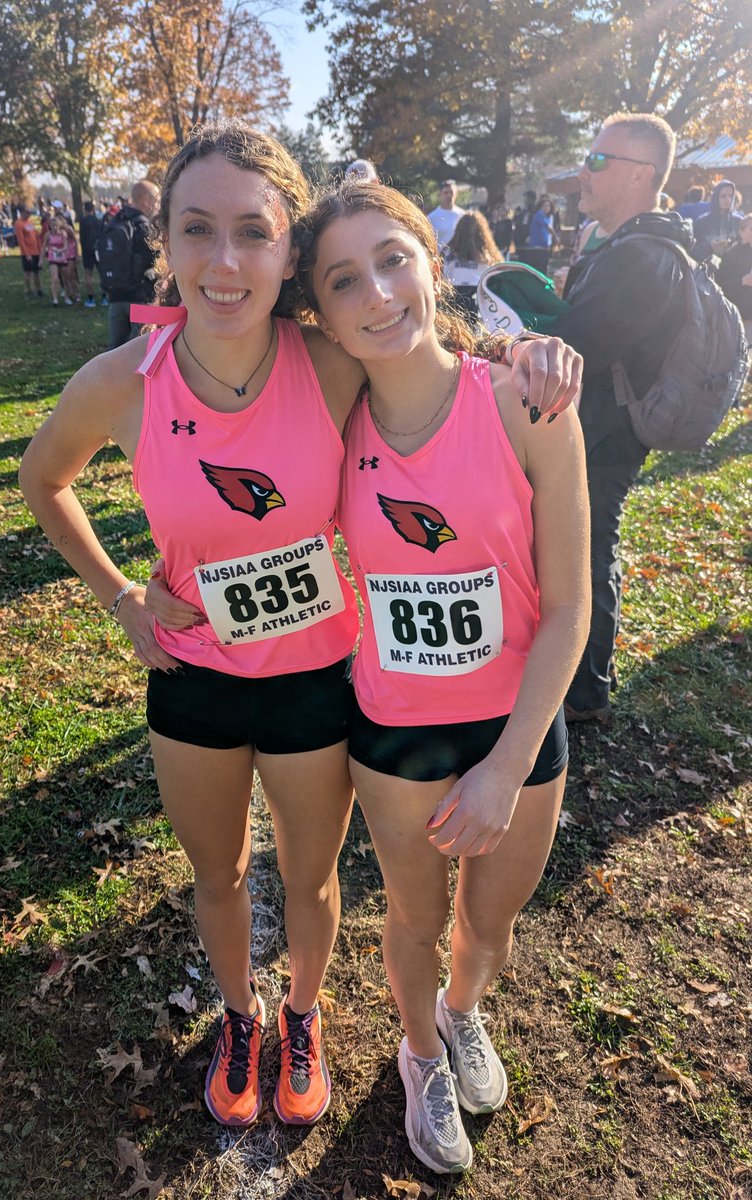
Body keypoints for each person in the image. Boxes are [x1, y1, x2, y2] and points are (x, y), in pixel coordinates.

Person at [20, 120, 581, 1136]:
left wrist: (525, 350)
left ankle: (305, 1015)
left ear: (286, 257)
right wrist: (120, 596)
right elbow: (41, 479)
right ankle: (241, 1017)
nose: (223, 260)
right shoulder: (122, 381)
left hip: (318, 679)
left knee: (313, 877)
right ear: (165, 241)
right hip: (193, 675)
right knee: (219, 874)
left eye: (253, 232)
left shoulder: (327, 361)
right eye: (197, 229)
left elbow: (422, 349)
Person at [292, 178, 589, 1175]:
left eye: (393, 260)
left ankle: (463, 1013)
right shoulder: (328, 427)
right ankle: (420, 1052)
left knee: (487, 924)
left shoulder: (525, 400)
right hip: (397, 731)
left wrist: (505, 768)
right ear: (322, 314)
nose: (378, 293)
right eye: (344, 280)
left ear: (432, 261)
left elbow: (569, 608)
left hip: (518, 726)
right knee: (415, 919)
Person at [547, 112, 687, 723]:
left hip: (607, 429)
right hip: (605, 422)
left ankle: (584, 692)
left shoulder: (641, 256)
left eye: (599, 161)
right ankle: (584, 684)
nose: (585, 171)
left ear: (640, 175)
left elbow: (579, 342)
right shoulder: (635, 245)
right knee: (589, 544)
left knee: (589, 547)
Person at [100, 180, 160, 349]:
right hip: (140, 299)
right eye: (157, 200)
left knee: (115, 351)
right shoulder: (144, 226)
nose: (159, 206)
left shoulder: (114, 222)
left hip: (115, 297)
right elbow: (157, 262)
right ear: (146, 201)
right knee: (139, 351)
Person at [443, 212, 503, 327]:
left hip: (453, 300)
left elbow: (444, 276)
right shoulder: (487, 256)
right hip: (479, 302)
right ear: (481, 232)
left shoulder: (448, 253)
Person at [691, 179, 744, 262]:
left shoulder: (739, 221)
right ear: (716, 197)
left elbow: (746, 248)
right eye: (723, 196)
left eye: (730, 196)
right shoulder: (702, 222)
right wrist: (710, 246)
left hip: (734, 266)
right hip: (708, 266)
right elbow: (692, 251)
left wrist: (732, 245)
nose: (727, 199)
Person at [716, 214, 752, 329]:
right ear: (741, 232)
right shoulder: (731, 255)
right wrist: (742, 281)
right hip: (739, 317)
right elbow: (720, 286)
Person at [428, 181, 466, 275]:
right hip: (440, 263)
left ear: (456, 194)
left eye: (451, 192)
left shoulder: (463, 215)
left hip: (459, 263)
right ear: (440, 194)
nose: (449, 195)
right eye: (446, 193)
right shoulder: (432, 217)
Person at [13, 205, 44, 298]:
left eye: (30, 212)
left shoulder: (30, 222)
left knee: (36, 272)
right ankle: (28, 290)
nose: (29, 214)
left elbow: (35, 235)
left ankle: (39, 290)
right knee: (28, 272)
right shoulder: (19, 224)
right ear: (22, 212)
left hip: (35, 251)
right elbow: (21, 240)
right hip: (28, 252)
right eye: (27, 212)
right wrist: (26, 254)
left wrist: (39, 249)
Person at [41, 215, 72, 305]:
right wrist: (41, 259)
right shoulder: (48, 235)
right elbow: (43, 246)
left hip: (62, 257)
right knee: (55, 278)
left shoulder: (63, 234)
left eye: (56, 226)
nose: (54, 228)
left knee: (65, 278)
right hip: (53, 257)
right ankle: (55, 298)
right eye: (52, 226)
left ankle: (67, 297)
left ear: (59, 226)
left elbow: (66, 246)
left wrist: (60, 250)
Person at [79, 200, 103, 307]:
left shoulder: (83, 221)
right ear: (93, 209)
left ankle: (91, 298)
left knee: (88, 274)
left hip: (87, 250)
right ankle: (104, 298)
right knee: (102, 273)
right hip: (98, 249)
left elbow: (81, 237)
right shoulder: (98, 221)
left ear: (85, 209)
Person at [527, 197, 559, 274]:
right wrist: (556, 236)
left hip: (544, 246)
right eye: (544, 205)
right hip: (537, 246)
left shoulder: (547, 217)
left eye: (548, 206)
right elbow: (548, 227)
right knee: (538, 269)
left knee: (543, 269)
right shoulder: (539, 214)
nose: (546, 207)